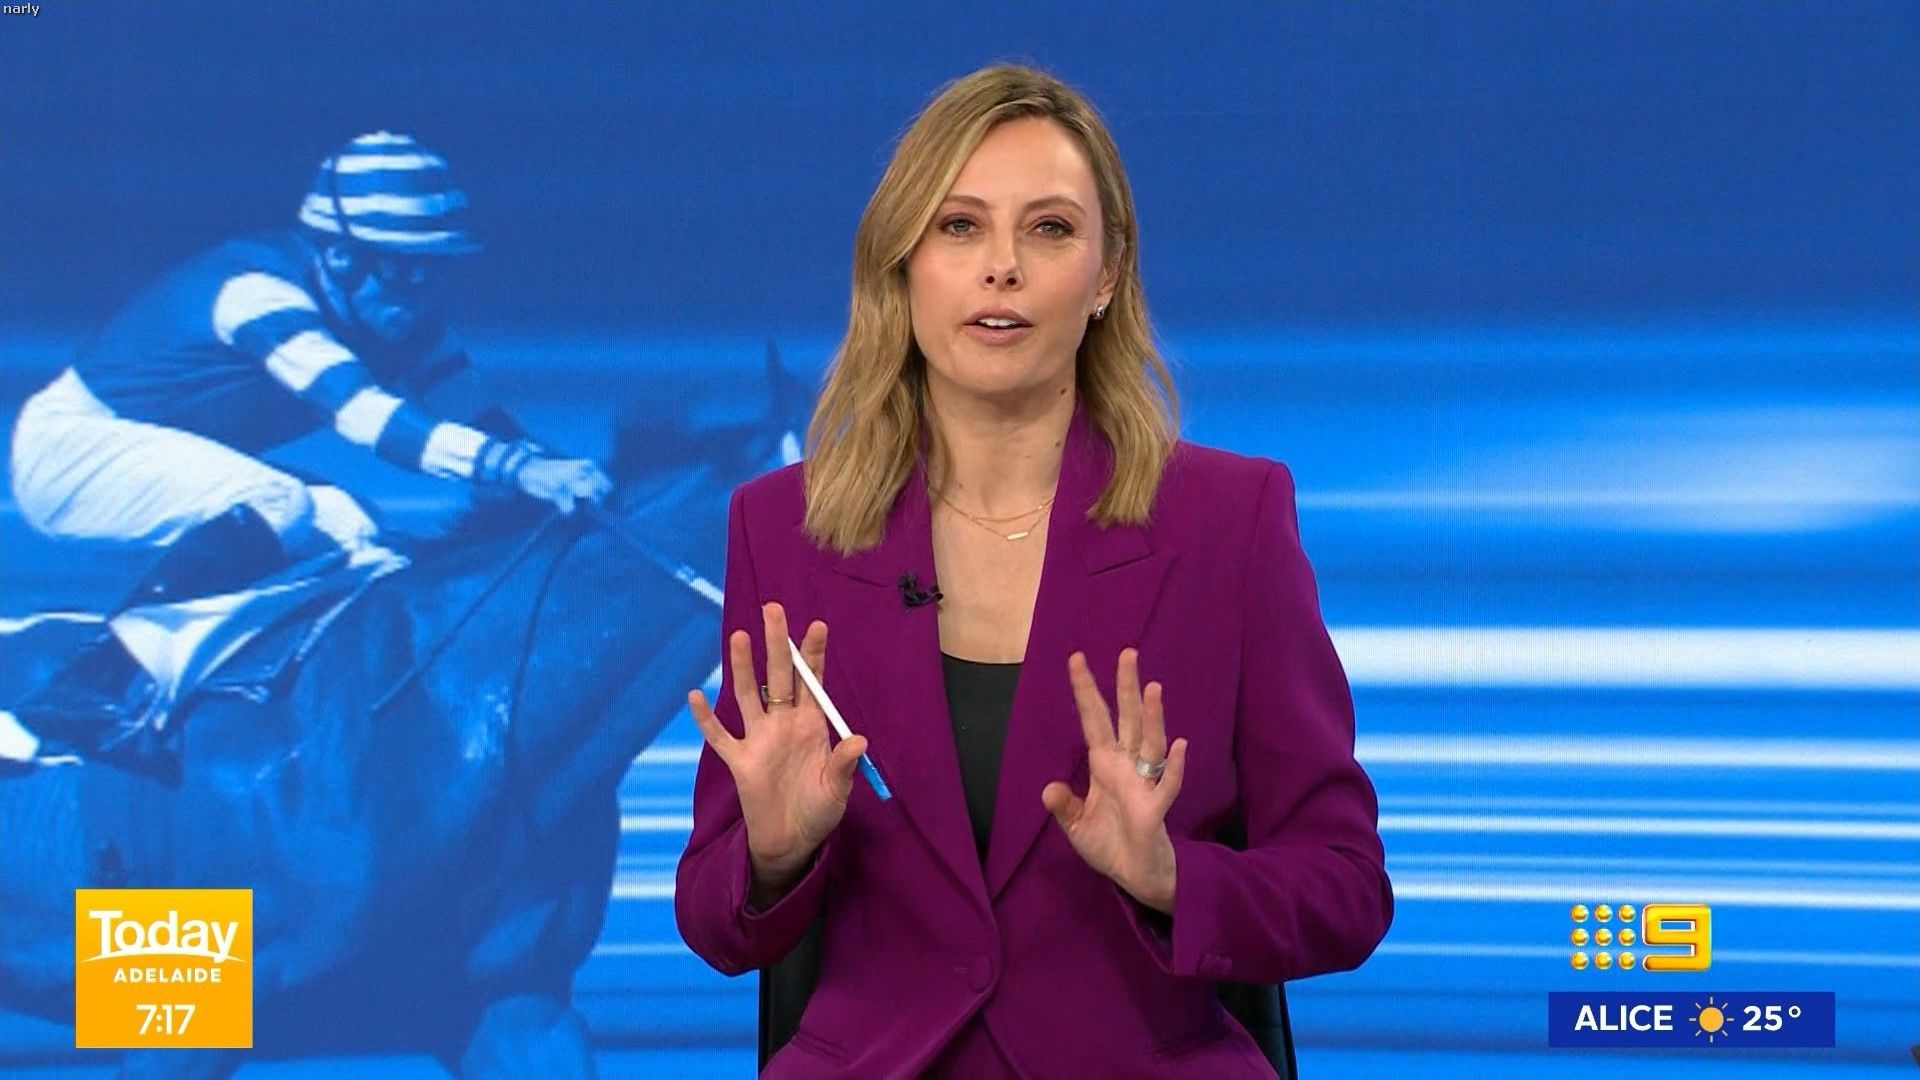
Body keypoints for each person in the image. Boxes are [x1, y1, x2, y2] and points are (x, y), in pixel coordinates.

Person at [673, 65, 1392, 1077]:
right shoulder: (785, 529)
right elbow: (712, 919)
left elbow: (1346, 889)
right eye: (959, 227)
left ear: (1106, 275)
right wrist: (774, 853)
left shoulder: (1231, 522)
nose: (1001, 268)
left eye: (1049, 229)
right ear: (901, 266)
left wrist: (1172, 879)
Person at [0, 131, 611, 780]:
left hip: (157, 450)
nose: (419, 292)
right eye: (403, 269)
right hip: (69, 451)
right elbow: (369, 419)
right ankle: (83, 687)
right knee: (279, 503)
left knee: (360, 533)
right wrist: (522, 470)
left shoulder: (405, 321)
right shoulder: (258, 293)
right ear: (340, 257)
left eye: (435, 269)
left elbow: (485, 424)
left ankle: (217, 697)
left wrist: (587, 483)